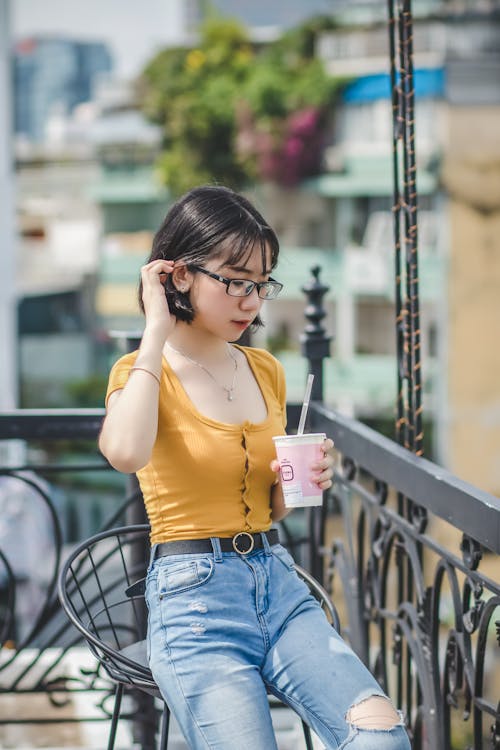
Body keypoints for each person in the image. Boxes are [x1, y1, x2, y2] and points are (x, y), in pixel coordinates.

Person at [98, 185, 411, 750]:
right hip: (195, 605)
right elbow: (124, 452)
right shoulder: (143, 370)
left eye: (262, 283)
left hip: (278, 584)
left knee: (380, 736)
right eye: (236, 281)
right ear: (180, 274)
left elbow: (269, 505)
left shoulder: (263, 368)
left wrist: (301, 483)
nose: (252, 300)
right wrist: (154, 331)